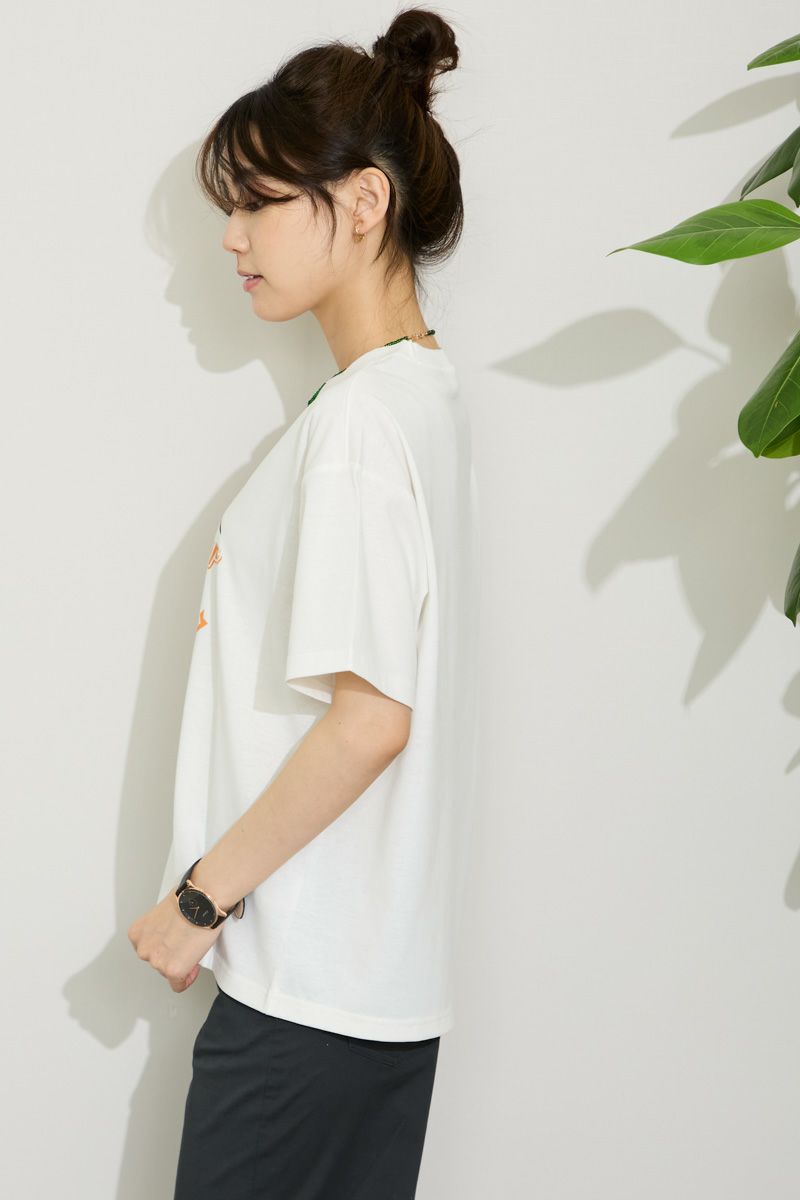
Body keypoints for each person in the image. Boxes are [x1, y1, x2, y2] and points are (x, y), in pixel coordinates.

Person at [127, 7, 481, 1196]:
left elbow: (372, 718)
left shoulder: (363, 429)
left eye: (259, 202)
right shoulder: (422, 400)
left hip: (307, 1003)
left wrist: (199, 898)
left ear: (365, 201)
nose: (231, 237)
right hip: (367, 993)